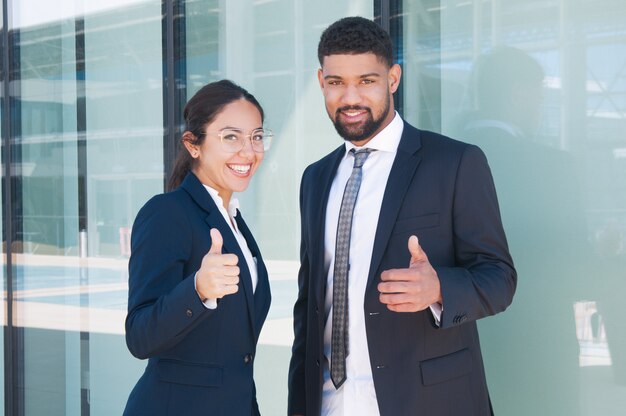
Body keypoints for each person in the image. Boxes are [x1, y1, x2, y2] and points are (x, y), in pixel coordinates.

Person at [287, 17, 516, 416]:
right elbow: (309, 307)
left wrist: (440, 288)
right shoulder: (315, 178)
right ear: (321, 80)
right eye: (337, 82)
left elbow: (500, 278)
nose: (351, 97)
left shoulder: (455, 162)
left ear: (393, 78)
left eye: (367, 80)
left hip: (424, 401)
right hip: (328, 402)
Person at [123, 79, 272, 415]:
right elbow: (140, 336)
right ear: (193, 144)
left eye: (257, 136)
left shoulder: (234, 222)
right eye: (231, 137)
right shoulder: (167, 213)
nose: (248, 152)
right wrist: (198, 290)